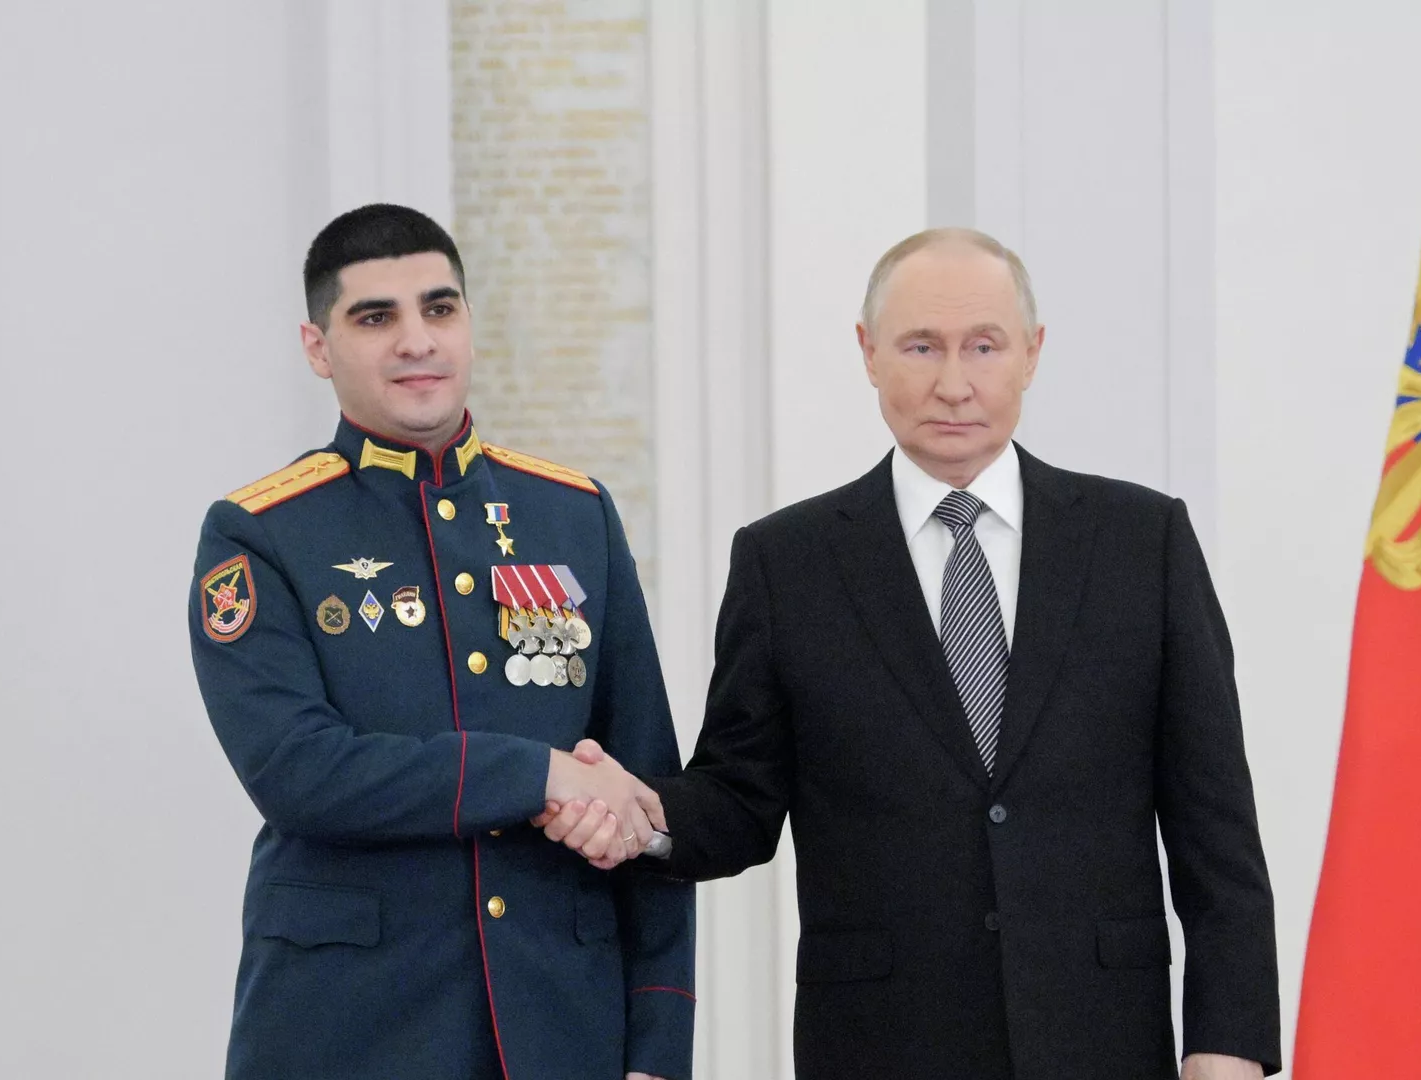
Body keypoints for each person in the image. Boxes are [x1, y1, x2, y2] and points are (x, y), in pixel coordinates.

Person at [544, 228, 1279, 1079]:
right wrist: (637, 814)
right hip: (880, 1043)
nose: (953, 384)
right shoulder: (787, 563)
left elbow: (1216, 827)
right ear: (868, 352)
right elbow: (739, 799)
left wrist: (1228, 1046)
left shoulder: (1142, 543)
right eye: (921, 346)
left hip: (1101, 1041)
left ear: (1033, 353)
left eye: (984, 346)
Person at [188, 203, 692, 1080]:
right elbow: (299, 773)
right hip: (350, 1032)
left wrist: (657, 1046)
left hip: (560, 1029)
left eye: (439, 308)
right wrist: (538, 773)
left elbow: (647, 792)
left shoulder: (572, 514)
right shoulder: (260, 533)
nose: (417, 340)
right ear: (318, 347)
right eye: (375, 318)